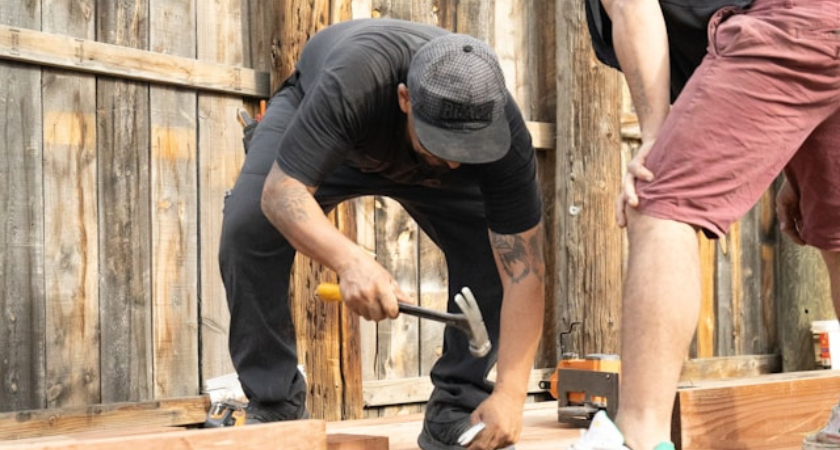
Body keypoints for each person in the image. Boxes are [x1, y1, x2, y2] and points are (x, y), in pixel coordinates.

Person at [217, 18, 546, 450]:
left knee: (499, 254)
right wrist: (351, 260)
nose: (453, 162)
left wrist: (511, 395)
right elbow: (282, 194)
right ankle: (275, 402)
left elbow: (526, 275)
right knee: (248, 228)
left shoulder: (505, 135)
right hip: (332, 133)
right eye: (442, 145)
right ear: (405, 99)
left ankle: (457, 407)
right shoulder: (357, 80)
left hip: (413, 154)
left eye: (468, 150)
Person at [570, 0, 840, 449]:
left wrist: (654, 138)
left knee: (658, 201)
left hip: (789, 24)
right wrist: (797, 172)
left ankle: (638, 438)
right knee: (836, 232)